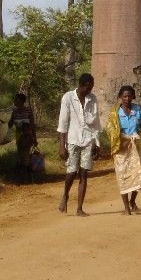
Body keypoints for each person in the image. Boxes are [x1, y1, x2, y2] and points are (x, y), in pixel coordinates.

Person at [57, 73, 101, 217]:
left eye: (91, 87)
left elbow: (95, 123)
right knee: (72, 172)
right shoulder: (68, 97)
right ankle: (65, 194)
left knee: (84, 174)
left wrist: (97, 143)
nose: (90, 90)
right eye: (88, 87)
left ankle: (79, 208)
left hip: (88, 140)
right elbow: (62, 123)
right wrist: (62, 146)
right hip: (73, 140)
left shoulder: (93, 99)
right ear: (82, 85)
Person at [107, 85, 141, 215]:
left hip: (136, 144)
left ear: (133, 97)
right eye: (124, 96)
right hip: (121, 146)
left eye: (129, 96)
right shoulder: (115, 113)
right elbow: (110, 130)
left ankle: (132, 201)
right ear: (120, 97)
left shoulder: (137, 109)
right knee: (122, 175)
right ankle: (126, 207)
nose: (127, 98)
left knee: (138, 174)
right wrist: (119, 141)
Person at [8, 92, 37, 182]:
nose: (14, 101)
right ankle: (28, 177)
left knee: (24, 155)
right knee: (22, 156)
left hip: (27, 136)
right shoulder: (14, 112)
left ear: (21, 101)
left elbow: (32, 125)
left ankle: (25, 177)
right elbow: (10, 124)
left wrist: (35, 138)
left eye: (16, 100)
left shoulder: (28, 111)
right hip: (19, 137)